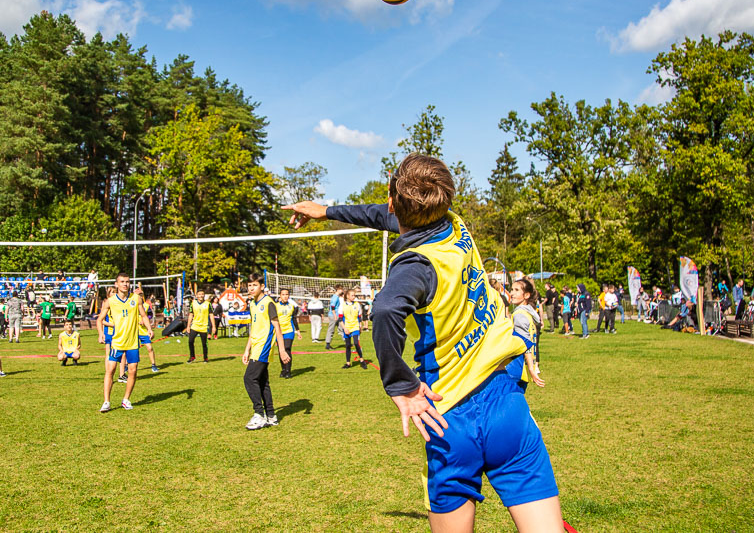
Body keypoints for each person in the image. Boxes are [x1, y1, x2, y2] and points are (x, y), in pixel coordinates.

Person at [283, 153, 562, 530]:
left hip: (448, 416)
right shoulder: (453, 223)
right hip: (504, 399)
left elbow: (384, 311)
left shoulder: (416, 265)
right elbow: (383, 215)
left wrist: (402, 386)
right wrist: (328, 211)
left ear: (393, 198)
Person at [241, 272, 291, 430]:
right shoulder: (252, 303)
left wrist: (282, 350)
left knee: (249, 378)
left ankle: (259, 414)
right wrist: (246, 349)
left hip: (264, 346)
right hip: (255, 346)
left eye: (254, 285)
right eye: (249, 285)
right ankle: (271, 415)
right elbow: (254, 328)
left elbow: (277, 327)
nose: (251, 288)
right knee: (262, 382)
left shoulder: (268, 302)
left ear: (262, 286)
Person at [100, 274, 153, 413]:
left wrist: (149, 328)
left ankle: (126, 399)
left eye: (127, 282)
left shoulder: (136, 299)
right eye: (122, 282)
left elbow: (143, 315)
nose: (125, 284)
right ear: (116, 284)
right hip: (117, 341)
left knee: (132, 370)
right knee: (110, 370)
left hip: (132, 342)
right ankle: (106, 401)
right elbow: (100, 319)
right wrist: (101, 334)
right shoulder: (110, 301)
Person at [509, 279, 546, 392]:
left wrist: (531, 367)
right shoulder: (529, 312)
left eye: (516, 290)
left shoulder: (519, 315)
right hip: (522, 367)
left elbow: (525, 343)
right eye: (511, 290)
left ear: (526, 295)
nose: (512, 293)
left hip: (517, 367)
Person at [275, 287, 301, 378]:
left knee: (287, 349)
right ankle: (283, 369)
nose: (285, 296)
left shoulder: (292, 306)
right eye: (283, 294)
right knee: (281, 351)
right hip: (279, 332)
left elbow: (294, 319)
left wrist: (298, 331)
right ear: (280, 296)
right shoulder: (276, 306)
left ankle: (288, 371)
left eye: (287, 294)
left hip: (289, 331)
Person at [339, 287, 367, 370]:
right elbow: (340, 319)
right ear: (347, 296)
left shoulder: (357, 304)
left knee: (356, 343)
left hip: (355, 327)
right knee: (348, 345)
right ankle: (348, 363)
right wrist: (344, 328)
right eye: (352, 295)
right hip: (347, 327)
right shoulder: (343, 305)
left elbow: (359, 317)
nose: (353, 297)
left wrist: (360, 326)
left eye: (354, 295)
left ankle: (362, 360)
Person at [186, 289, 216, 363]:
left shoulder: (208, 304)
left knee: (204, 343)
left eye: (202, 294)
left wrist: (214, 326)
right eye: (199, 294)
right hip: (195, 326)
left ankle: (205, 358)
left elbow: (211, 315)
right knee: (190, 341)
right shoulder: (193, 303)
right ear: (196, 295)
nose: (201, 296)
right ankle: (192, 356)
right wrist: (188, 326)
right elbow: (191, 314)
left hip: (204, 326)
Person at [137, 296, 160, 374]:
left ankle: (153, 365)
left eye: (141, 294)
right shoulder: (131, 304)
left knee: (149, 347)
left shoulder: (146, 305)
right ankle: (127, 365)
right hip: (134, 330)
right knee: (132, 349)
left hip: (144, 330)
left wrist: (146, 320)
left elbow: (149, 314)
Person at [325, 284, 344, 350]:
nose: (342, 290)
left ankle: (347, 342)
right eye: (341, 289)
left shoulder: (337, 297)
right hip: (333, 315)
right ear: (338, 289)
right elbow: (332, 306)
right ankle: (327, 344)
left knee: (341, 328)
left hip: (337, 315)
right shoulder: (335, 297)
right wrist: (335, 315)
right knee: (331, 329)